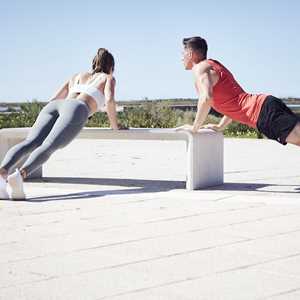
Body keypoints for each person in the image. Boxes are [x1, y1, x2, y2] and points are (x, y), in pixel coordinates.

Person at [0, 48, 121, 200]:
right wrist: (115, 126)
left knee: (31, 141)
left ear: (94, 62)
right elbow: (109, 101)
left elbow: (54, 98)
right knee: (49, 146)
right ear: (111, 66)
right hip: (77, 108)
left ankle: (2, 173)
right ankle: (19, 176)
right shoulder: (108, 78)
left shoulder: (77, 76)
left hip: (55, 106)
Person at [176, 36, 300, 147]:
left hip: (261, 113)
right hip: (264, 106)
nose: (181, 58)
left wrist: (194, 128)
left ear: (190, 54)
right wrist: (220, 126)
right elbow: (233, 101)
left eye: (183, 53)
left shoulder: (200, 68)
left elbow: (206, 99)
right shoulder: (213, 65)